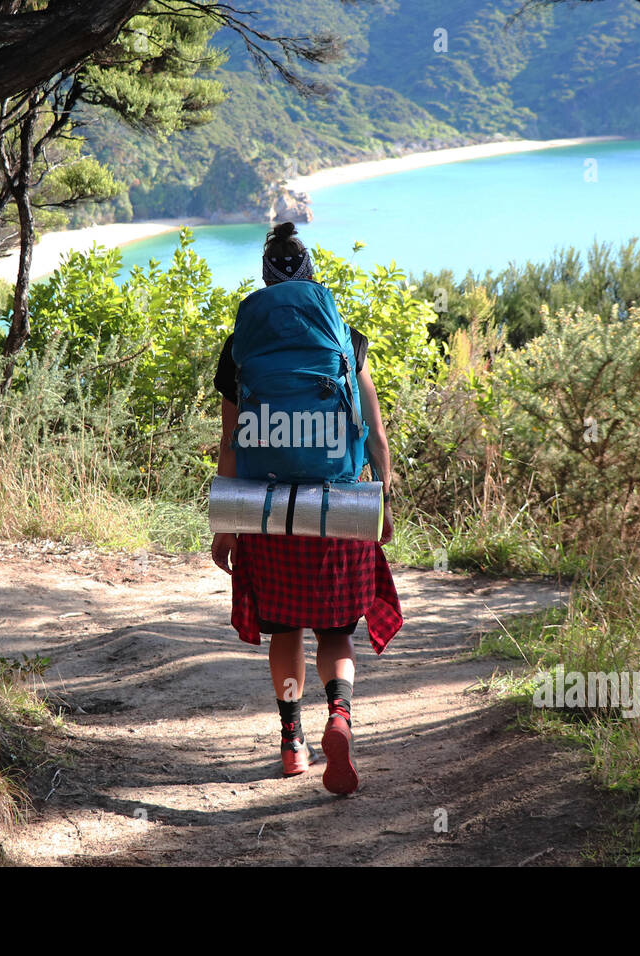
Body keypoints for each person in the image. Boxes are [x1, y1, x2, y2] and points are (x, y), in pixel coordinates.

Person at [211, 221, 403, 796]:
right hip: (338, 505)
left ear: (266, 278)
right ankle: (339, 718)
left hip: (270, 510)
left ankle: (292, 742)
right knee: (337, 633)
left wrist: (226, 522)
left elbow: (230, 443)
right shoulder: (345, 334)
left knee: (285, 631)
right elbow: (373, 432)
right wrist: (382, 503)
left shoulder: (243, 343)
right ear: (312, 274)